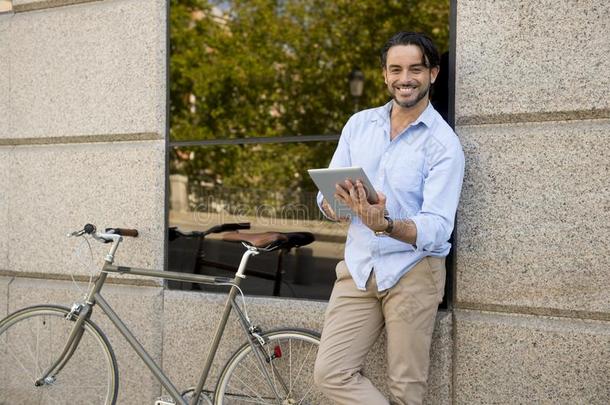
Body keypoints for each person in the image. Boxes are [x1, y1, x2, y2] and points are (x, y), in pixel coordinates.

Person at [313, 32, 465, 405]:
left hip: (413, 272)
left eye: (415, 68)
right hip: (359, 268)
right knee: (331, 373)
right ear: (384, 75)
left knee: (406, 390)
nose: (405, 78)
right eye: (395, 69)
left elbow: (438, 227)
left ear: (433, 73)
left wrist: (387, 224)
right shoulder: (359, 125)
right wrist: (335, 206)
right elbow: (325, 195)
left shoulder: (444, 144)